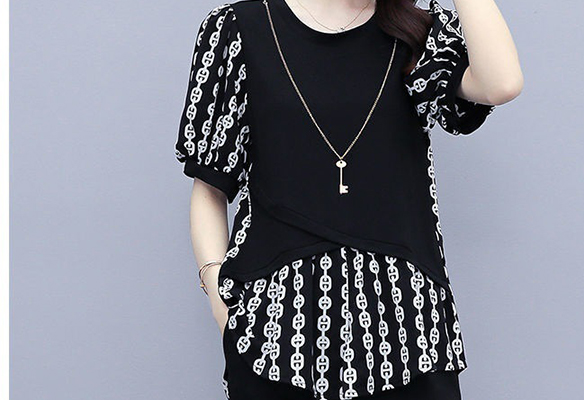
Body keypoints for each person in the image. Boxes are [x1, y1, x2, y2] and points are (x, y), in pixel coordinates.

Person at [174, 0, 522, 399]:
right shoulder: (238, 28)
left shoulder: (417, 33)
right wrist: (219, 297)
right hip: (277, 324)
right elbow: (209, 186)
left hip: (406, 323)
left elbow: (501, 84)